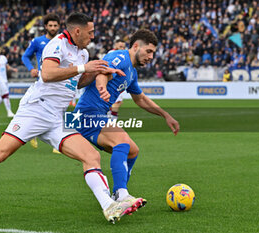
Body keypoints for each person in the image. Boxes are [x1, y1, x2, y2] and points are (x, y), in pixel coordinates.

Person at [0, 12, 141, 224]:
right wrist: (86, 67)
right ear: (77, 31)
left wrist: (98, 70)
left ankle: (108, 206)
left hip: (57, 117)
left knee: (91, 156)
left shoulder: (82, 53)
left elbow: (77, 81)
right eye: (90, 32)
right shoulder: (57, 44)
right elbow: (47, 74)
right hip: (36, 110)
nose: (92, 36)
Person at [74, 29, 180, 205]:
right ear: (136, 46)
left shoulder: (132, 73)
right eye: (149, 51)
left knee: (132, 151)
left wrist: (165, 115)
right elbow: (102, 72)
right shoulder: (120, 57)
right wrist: (102, 89)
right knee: (121, 141)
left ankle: (118, 193)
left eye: (153, 53)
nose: (151, 56)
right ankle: (122, 194)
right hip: (87, 113)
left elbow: (141, 99)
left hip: (96, 115)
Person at [21, 13, 60, 151]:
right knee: (37, 108)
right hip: (43, 80)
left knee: (62, 108)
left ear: (59, 26)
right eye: (50, 25)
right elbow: (25, 56)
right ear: (45, 26)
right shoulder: (38, 41)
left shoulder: (63, 42)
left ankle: (60, 141)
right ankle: (32, 133)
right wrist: (31, 68)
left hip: (61, 80)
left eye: (55, 25)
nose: (53, 28)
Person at [107, 39, 127, 120]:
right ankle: (112, 121)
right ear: (115, 46)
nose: (122, 48)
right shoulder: (112, 53)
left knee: (117, 102)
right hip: (112, 82)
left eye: (123, 47)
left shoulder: (124, 55)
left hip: (119, 82)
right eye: (120, 46)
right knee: (116, 102)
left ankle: (110, 119)